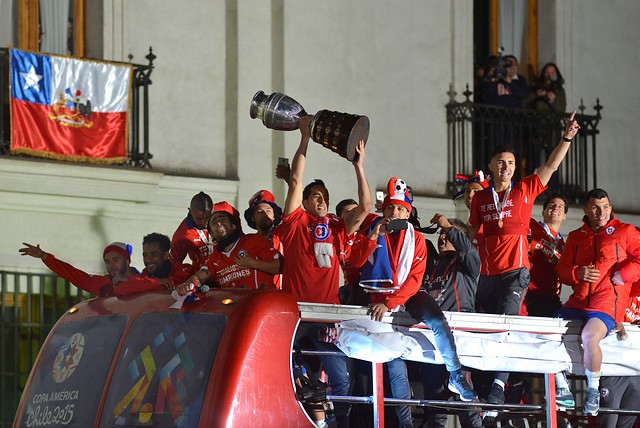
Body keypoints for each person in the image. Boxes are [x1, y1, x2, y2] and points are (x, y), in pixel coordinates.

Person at [467, 112, 580, 405]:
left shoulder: (525, 189)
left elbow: (551, 165)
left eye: (511, 163)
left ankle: (498, 386)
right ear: (491, 166)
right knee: (489, 331)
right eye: (501, 162)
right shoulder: (480, 198)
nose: (505, 167)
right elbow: (472, 232)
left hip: (515, 274)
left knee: (508, 325)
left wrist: (566, 138)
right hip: (487, 276)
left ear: (515, 169)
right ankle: (486, 388)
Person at [348, 179, 477, 427]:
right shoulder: (371, 230)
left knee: (438, 320)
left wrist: (391, 302)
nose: (394, 213)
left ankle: (456, 374)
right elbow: (355, 262)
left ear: (408, 213)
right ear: (383, 210)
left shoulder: (416, 238)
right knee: (393, 367)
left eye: (400, 209)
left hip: (404, 296)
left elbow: (415, 279)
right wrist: (373, 237)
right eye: (390, 208)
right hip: (375, 297)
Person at [273, 114, 372, 427]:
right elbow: (296, 181)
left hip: (328, 314)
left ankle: (336, 423)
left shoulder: (335, 227)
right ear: (303, 202)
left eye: (325, 197)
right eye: (316, 196)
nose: (322, 200)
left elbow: (367, 207)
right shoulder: (295, 223)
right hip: (297, 313)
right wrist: (304, 138)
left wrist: (358, 165)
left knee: (340, 379)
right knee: (287, 368)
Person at [555, 188, 640, 416]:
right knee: (550, 333)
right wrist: (577, 273)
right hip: (579, 299)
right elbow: (561, 270)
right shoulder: (575, 236)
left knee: (588, 336)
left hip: (608, 301)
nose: (601, 212)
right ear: (586, 210)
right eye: (595, 207)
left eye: (605, 207)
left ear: (610, 208)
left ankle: (592, 390)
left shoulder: (625, 231)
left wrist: (624, 275)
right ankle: (561, 387)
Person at [419, 214, 482, 428]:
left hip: (458, 339)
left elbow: (467, 249)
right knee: (434, 406)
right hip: (429, 337)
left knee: (468, 409)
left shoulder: (468, 263)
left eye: (448, 234)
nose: (443, 238)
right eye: (442, 234)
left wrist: (447, 225)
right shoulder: (430, 261)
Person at [177, 201, 281, 293]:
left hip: (262, 305)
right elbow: (200, 276)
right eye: (214, 222)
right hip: (233, 310)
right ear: (212, 234)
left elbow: (281, 267)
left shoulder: (254, 240)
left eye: (222, 219)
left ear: (234, 225)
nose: (218, 223)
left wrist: (254, 263)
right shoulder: (214, 257)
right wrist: (188, 285)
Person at [19, 242, 164, 296]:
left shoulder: (147, 279)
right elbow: (72, 274)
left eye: (115, 260)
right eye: (107, 261)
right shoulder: (102, 283)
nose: (111, 266)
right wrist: (45, 257)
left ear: (127, 260)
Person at [598, 281, 640, 428]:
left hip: (636, 370)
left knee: (627, 421)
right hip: (612, 369)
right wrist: (613, 319)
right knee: (609, 420)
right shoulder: (620, 289)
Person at [519, 194, 568, 317]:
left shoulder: (565, 246)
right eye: (552, 205)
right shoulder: (532, 226)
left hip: (551, 298)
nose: (556, 208)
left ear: (564, 216)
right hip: (528, 294)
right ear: (543, 211)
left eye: (560, 207)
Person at [169, 191, 214, 269]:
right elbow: (174, 264)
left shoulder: (225, 210)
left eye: (208, 217)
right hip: (202, 275)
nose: (204, 223)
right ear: (190, 211)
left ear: (213, 210)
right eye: (199, 219)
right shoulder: (182, 235)